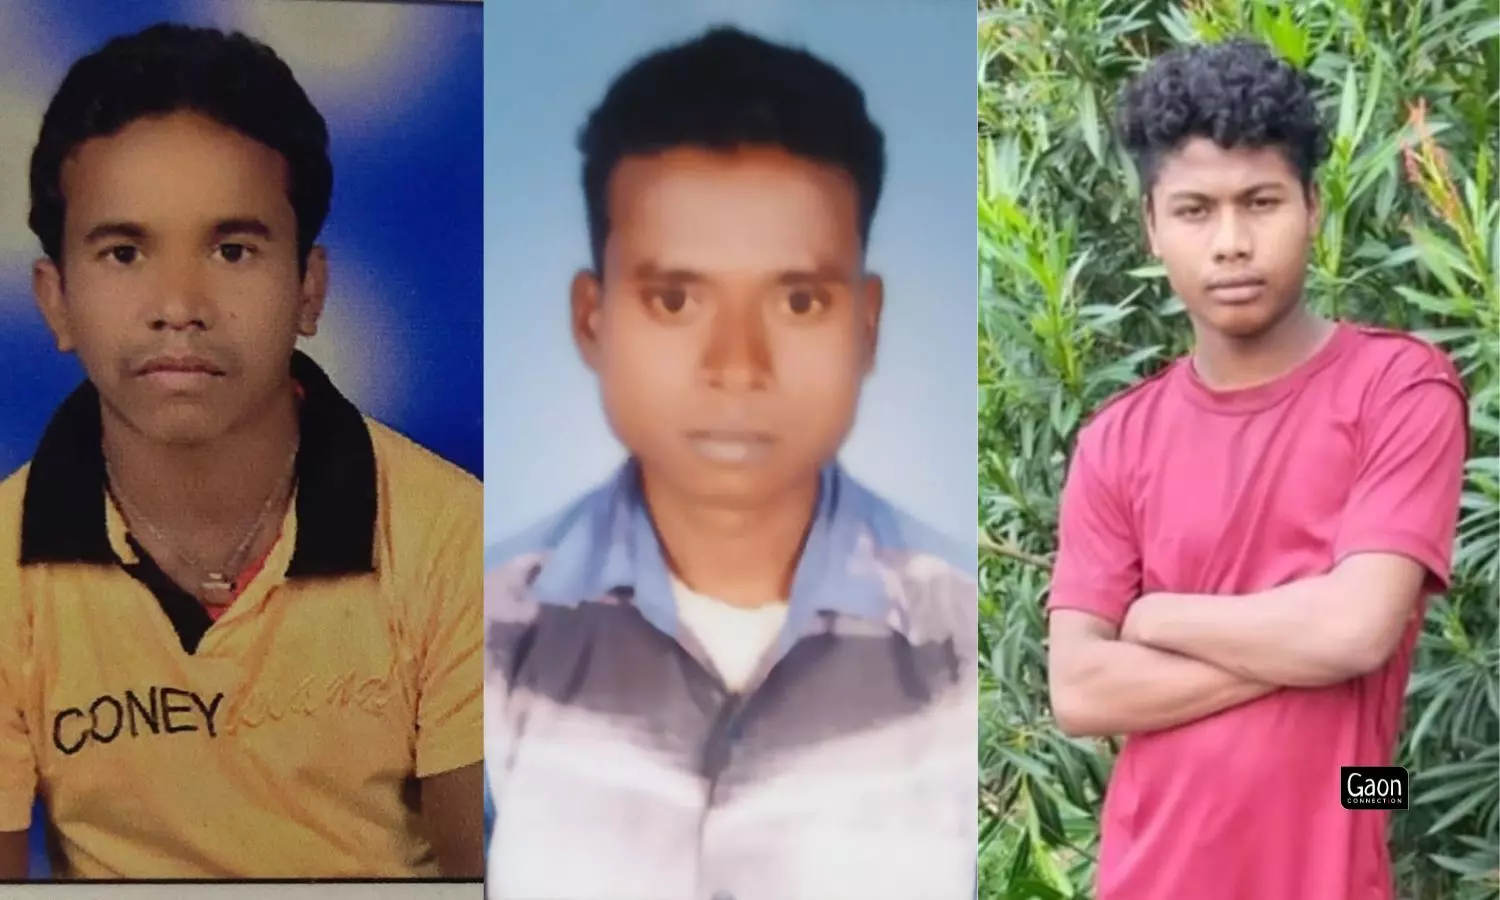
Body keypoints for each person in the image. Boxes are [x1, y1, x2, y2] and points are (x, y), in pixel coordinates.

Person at [483, 26, 976, 900]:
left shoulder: (965, 644)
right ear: (592, 319)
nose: (737, 365)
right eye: (675, 298)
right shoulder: (483, 634)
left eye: (796, 300)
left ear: (865, 325)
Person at [0, 24, 483, 879]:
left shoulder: (457, 540)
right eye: (124, 251)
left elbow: (490, 873)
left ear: (308, 288)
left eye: (232, 249)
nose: (178, 304)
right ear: (58, 301)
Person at [1046, 39, 1468, 900]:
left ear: (1313, 205)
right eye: (1196, 209)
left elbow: (1356, 632)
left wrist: (1157, 615)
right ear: (1152, 226)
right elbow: (1080, 690)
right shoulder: (1115, 441)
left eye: (1261, 201)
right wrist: (1305, 641)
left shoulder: (1398, 389)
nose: (1232, 243)